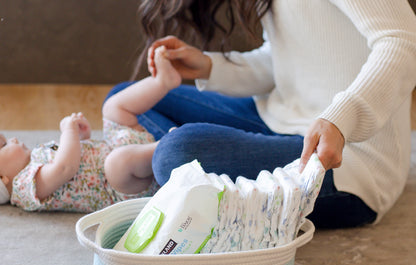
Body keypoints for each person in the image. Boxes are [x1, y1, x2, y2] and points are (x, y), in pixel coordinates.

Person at [106, 0, 416, 228]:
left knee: (176, 152)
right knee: (126, 96)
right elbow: (288, 59)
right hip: (279, 121)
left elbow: (403, 41)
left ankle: (170, 165)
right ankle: (181, 171)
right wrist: (211, 67)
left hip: (349, 162)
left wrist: (341, 118)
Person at [0, 46, 181, 212]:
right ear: (2, 178)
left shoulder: (35, 158)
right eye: (4, 145)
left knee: (112, 108)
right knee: (117, 163)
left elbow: (75, 158)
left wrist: (81, 139)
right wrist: (69, 131)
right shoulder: (24, 187)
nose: (13, 140)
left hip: (117, 148)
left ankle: (162, 82)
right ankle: (169, 146)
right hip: (122, 185)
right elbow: (65, 168)